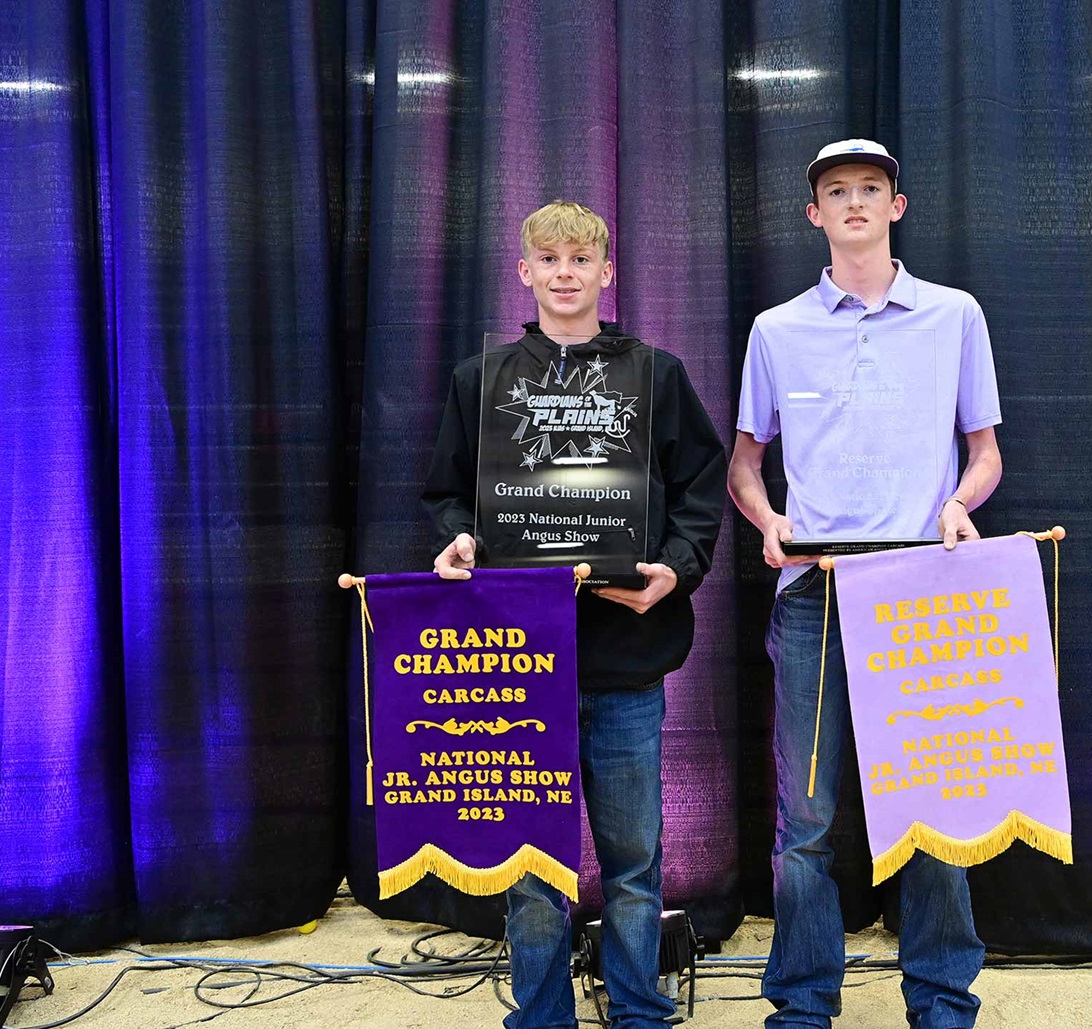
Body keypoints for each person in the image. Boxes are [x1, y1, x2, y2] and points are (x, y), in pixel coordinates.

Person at [422, 200, 727, 1029]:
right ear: (524, 272)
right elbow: (447, 495)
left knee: (634, 861)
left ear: (606, 271)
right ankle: (544, 1015)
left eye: (580, 259)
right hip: (518, 665)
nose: (565, 272)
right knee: (530, 868)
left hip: (627, 655)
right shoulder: (478, 381)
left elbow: (703, 488)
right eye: (548, 259)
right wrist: (455, 541)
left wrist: (679, 566)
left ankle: (637, 1009)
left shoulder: (656, 375)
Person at [728, 140, 1003, 1028]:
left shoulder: (955, 316)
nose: (854, 203)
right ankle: (803, 1006)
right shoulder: (776, 329)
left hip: (924, 590)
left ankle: (942, 1001)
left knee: (934, 806)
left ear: (897, 206)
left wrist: (960, 505)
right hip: (814, 592)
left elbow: (985, 453)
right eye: (836, 192)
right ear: (814, 214)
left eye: (870, 190)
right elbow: (744, 465)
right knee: (805, 820)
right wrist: (769, 523)